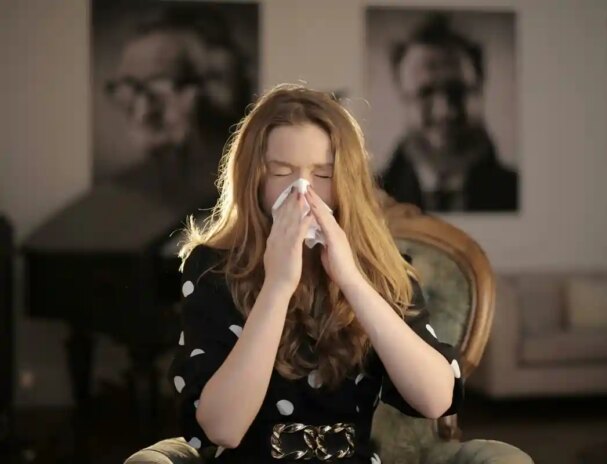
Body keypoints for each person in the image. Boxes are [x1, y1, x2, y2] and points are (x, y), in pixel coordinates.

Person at [167, 84, 465, 462]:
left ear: (345, 182)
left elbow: (436, 400)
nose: (302, 190)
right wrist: (277, 286)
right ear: (253, 178)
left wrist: (352, 280)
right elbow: (222, 428)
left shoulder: (381, 269)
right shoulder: (212, 269)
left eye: (323, 174)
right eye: (281, 171)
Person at [103, 4, 252, 211]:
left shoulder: (252, 189)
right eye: (130, 89)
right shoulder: (120, 195)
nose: (143, 112)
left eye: (160, 86)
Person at [379, 14, 518, 212]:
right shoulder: (368, 197)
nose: (444, 112)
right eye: (425, 93)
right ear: (401, 96)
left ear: (480, 90)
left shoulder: (516, 193)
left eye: (457, 91)